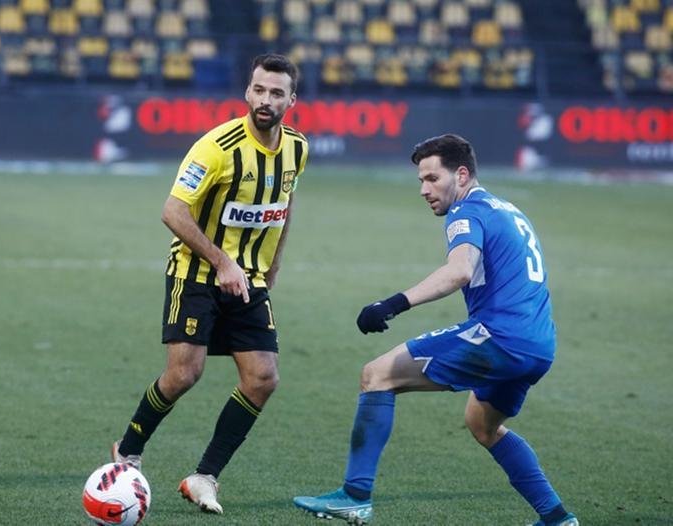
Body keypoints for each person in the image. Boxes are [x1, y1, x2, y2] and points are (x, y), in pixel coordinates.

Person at [293, 134, 578, 526]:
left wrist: (392, 304)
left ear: (461, 175)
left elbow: (459, 271)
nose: (424, 190)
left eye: (432, 178)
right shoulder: (507, 209)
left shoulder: (465, 212)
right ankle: (556, 517)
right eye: (421, 181)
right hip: (539, 345)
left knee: (376, 375)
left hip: (499, 338)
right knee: (483, 424)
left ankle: (355, 496)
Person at [111, 53, 308, 514]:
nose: (266, 99)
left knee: (263, 378)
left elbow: (285, 203)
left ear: (291, 101)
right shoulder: (216, 147)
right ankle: (129, 449)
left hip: (250, 280)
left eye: (276, 93)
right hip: (197, 273)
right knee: (184, 374)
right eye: (259, 90)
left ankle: (204, 476)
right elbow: (173, 211)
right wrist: (222, 262)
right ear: (247, 92)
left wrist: (272, 266)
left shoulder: (298, 148)